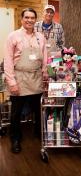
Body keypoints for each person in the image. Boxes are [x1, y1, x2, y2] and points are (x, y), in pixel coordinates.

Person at [4, 8, 47, 153]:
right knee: (16, 112)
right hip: (19, 77)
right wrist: (12, 82)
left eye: (32, 17)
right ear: (22, 19)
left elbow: (44, 58)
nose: (29, 20)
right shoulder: (13, 36)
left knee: (38, 109)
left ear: (35, 20)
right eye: (27, 17)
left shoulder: (40, 37)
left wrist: (45, 72)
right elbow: (8, 61)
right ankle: (15, 138)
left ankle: (38, 133)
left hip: (36, 78)